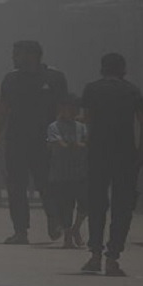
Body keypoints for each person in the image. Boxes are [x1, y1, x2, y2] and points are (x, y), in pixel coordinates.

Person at [0, 40, 68, 245]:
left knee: (47, 183)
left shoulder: (54, 77)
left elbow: (63, 109)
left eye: (18, 54)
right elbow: (3, 108)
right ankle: (20, 231)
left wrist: (61, 136)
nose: (14, 58)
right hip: (17, 139)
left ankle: (54, 219)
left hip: (45, 140)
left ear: (32, 55)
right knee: (16, 186)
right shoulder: (11, 79)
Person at [80, 52, 143, 277]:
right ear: (123, 69)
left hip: (98, 154)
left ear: (102, 69)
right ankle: (112, 258)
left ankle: (95, 255)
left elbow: (87, 120)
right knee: (123, 207)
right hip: (125, 155)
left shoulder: (92, 89)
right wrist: (141, 152)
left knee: (96, 204)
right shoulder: (132, 91)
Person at [47, 95, 88, 249]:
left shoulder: (81, 127)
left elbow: (86, 144)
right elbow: (59, 145)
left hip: (79, 171)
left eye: (74, 108)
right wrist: (75, 145)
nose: (71, 111)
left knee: (85, 203)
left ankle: (76, 228)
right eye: (68, 108)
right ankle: (68, 236)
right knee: (66, 205)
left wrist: (76, 145)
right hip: (61, 173)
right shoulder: (54, 127)